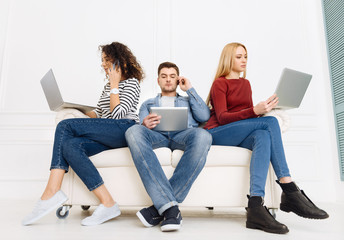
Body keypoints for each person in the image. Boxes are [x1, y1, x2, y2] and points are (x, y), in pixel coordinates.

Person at [204, 42, 329, 234]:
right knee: (270, 123)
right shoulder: (220, 83)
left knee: (263, 134)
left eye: (245, 56)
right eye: (238, 56)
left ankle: (255, 205)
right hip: (217, 133)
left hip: (238, 131)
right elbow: (222, 117)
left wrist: (263, 110)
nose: (244, 60)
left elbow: (244, 114)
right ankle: (288, 188)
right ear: (228, 59)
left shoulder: (246, 84)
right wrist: (255, 111)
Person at [22, 42, 144, 226]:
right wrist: (78, 113)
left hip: (124, 129)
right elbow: (101, 113)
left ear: (119, 61)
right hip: (107, 131)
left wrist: (114, 84)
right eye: (102, 60)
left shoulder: (131, 83)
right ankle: (108, 203)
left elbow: (118, 115)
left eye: (106, 59)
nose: (103, 64)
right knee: (70, 145)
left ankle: (52, 191)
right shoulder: (107, 87)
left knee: (64, 127)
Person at [125, 62, 212, 232]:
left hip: (182, 135)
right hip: (158, 136)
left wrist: (190, 90)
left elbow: (204, 116)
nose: (168, 80)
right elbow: (141, 129)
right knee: (133, 131)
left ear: (178, 80)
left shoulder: (188, 99)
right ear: (158, 80)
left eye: (172, 76)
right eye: (164, 76)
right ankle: (171, 209)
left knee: (203, 135)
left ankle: (161, 207)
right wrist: (145, 123)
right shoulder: (148, 104)